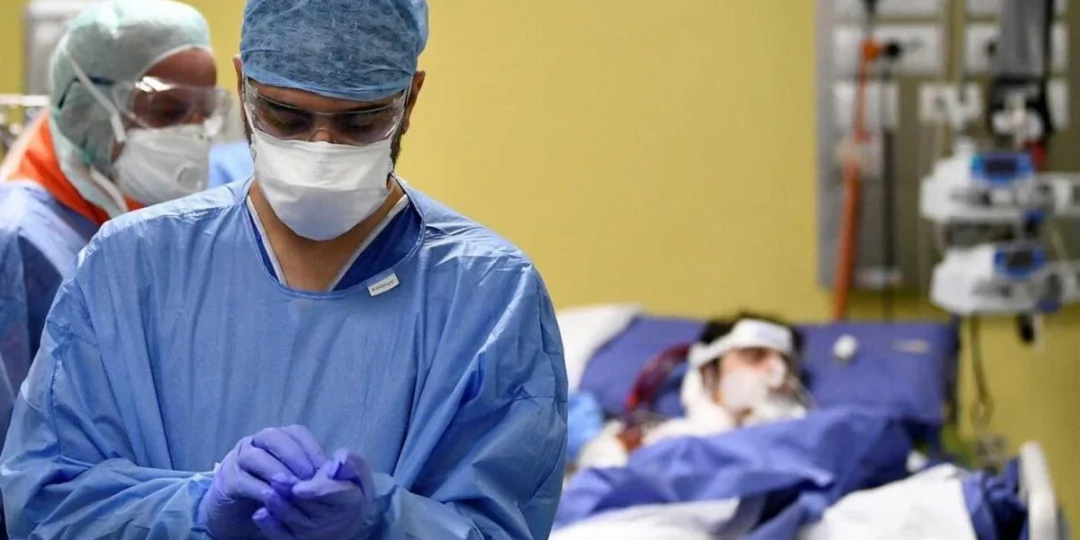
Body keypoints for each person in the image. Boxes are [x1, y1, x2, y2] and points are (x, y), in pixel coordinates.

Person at [0, 0, 568, 538]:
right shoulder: (130, 266)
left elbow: (501, 526)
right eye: (286, 116)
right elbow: (48, 504)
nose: (321, 149)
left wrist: (381, 522)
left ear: (410, 98)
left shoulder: (488, 294)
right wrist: (198, 510)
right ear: (242, 85)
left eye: (360, 122)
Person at [0, 0, 228, 444]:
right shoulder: (18, 242)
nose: (193, 134)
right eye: (167, 111)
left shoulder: (141, 215)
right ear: (86, 107)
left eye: (204, 112)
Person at [574, 313, 810, 470]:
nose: (776, 374)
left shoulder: (809, 444)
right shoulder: (657, 443)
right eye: (754, 356)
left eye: (786, 363)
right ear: (707, 370)